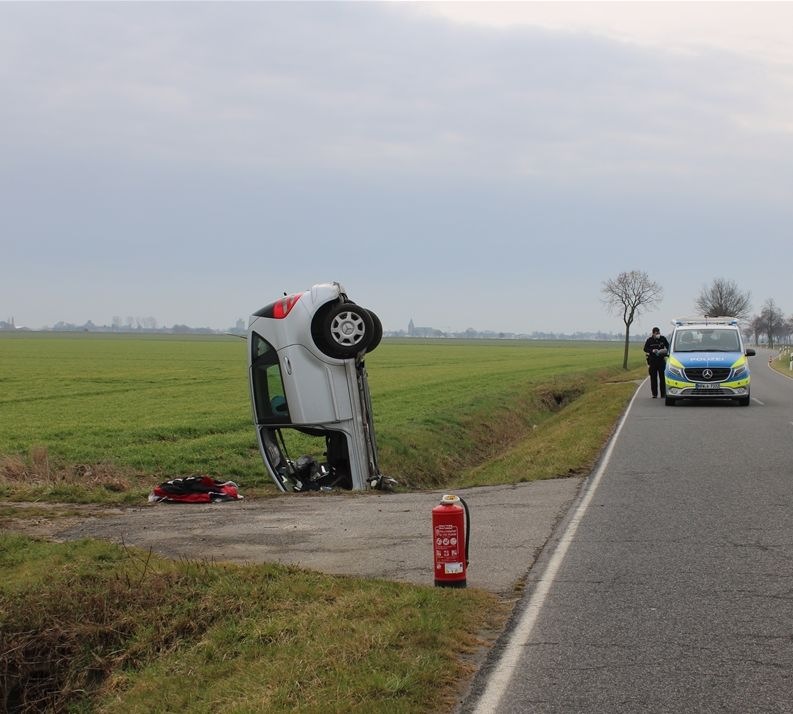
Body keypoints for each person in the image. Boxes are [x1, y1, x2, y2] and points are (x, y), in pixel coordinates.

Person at [643, 327, 670, 398]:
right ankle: (654, 394)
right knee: (653, 378)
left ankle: (663, 394)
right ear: (653, 333)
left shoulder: (663, 339)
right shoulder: (649, 340)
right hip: (652, 361)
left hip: (661, 361)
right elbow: (645, 349)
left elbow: (668, 346)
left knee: (662, 378)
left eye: (659, 333)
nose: (658, 334)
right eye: (656, 333)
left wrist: (664, 351)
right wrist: (652, 350)